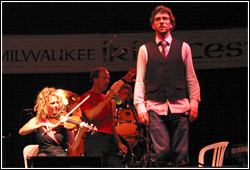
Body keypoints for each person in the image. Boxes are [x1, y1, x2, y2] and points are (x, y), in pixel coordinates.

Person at [134, 5, 201, 167]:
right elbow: (140, 80)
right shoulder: (145, 49)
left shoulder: (183, 47)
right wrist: (141, 108)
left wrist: (194, 103)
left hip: (180, 106)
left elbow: (191, 78)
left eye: (165, 19)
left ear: (172, 24)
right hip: (155, 107)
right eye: (158, 19)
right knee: (161, 151)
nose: (162, 22)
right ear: (153, 25)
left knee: (181, 153)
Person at [79, 67, 136, 167]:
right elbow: (90, 115)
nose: (108, 81)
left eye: (108, 78)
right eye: (104, 78)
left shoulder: (106, 99)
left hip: (109, 140)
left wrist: (119, 143)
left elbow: (110, 124)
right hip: (95, 139)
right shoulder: (86, 97)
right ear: (95, 80)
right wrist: (105, 100)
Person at [19, 87, 86, 157]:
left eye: (57, 102)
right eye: (52, 103)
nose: (56, 105)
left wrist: (81, 131)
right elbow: (22, 131)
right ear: (45, 105)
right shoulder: (38, 120)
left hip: (60, 155)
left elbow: (73, 147)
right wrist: (42, 124)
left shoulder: (64, 120)